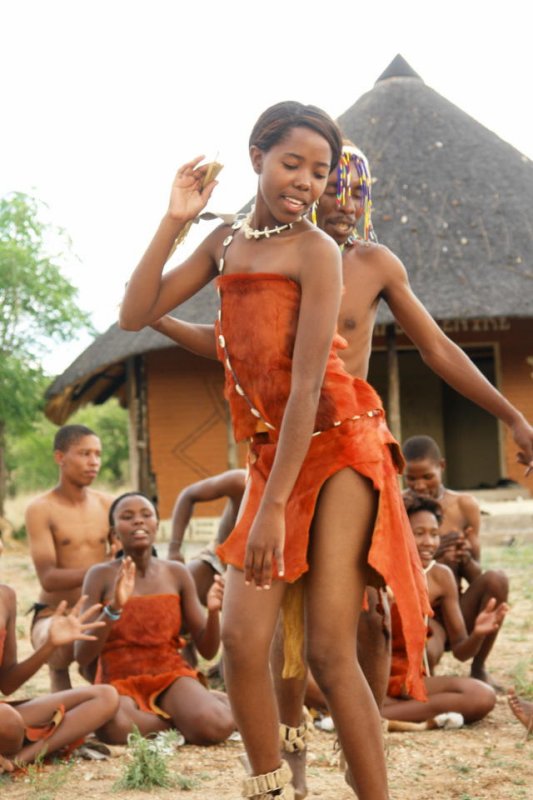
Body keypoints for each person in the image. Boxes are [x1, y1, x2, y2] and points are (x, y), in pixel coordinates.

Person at [119, 101, 434, 800]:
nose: (306, 182)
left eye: (319, 172)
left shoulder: (316, 252)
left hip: (337, 443)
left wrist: (267, 515)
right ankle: (269, 788)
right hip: (272, 454)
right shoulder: (224, 243)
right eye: (292, 163)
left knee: (326, 645)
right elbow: (133, 314)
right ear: (256, 154)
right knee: (240, 639)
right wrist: (174, 220)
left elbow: (305, 386)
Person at [75, 492, 234, 746]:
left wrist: (214, 612)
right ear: (115, 533)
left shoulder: (176, 573)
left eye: (146, 515)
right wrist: (114, 607)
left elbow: (207, 649)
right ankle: (184, 720)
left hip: (169, 674)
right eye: (127, 517)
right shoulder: (100, 576)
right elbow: (82, 654)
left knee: (216, 727)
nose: (138, 521)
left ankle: (192, 712)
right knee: (113, 727)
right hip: (118, 679)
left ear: (156, 526)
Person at [0, 530, 119, 771]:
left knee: (104, 696)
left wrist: (51, 645)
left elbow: (8, 682)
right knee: (8, 721)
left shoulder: (6, 597)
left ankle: (17, 761)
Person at [382, 494, 500, 726]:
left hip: (413, 679)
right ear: (400, 532)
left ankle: (380, 712)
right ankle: (378, 707)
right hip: (371, 674)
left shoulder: (440, 576)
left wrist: (478, 633)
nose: (429, 542)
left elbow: (461, 651)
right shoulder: (378, 570)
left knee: (482, 696)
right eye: (419, 533)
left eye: (434, 534)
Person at [402, 434, 510, 686]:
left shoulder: (464, 505)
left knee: (497, 580)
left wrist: (465, 556)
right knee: (428, 652)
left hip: (456, 607)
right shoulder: (401, 505)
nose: (419, 485)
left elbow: (476, 577)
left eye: (427, 476)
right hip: (423, 609)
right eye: (411, 478)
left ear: (442, 466)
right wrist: (436, 555)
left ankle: (479, 667)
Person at [26, 424, 113, 692]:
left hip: (100, 613)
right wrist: (104, 570)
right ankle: (58, 702)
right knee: (60, 642)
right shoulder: (41, 509)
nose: (94, 462)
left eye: (97, 454)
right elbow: (49, 578)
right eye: (85, 453)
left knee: (109, 676)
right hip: (55, 613)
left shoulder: (108, 504)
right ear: (60, 457)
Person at [167, 469, 246, 605]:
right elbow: (188, 495)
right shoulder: (240, 482)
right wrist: (174, 550)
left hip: (258, 571)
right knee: (173, 592)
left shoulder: (288, 498)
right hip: (217, 559)